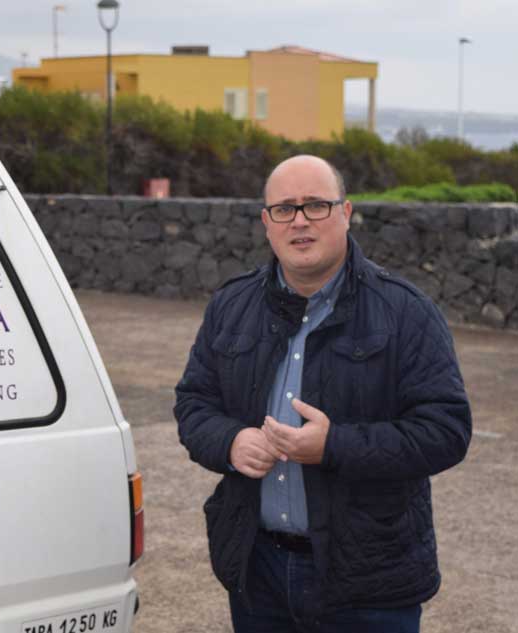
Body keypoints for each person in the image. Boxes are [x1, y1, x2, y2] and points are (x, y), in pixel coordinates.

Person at [174, 154, 471, 632]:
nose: (300, 221)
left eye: (316, 205)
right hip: (258, 573)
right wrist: (229, 441)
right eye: (284, 209)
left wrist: (334, 447)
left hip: (369, 581)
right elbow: (193, 404)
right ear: (265, 223)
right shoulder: (230, 305)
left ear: (346, 213)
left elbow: (446, 430)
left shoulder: (406, 311)